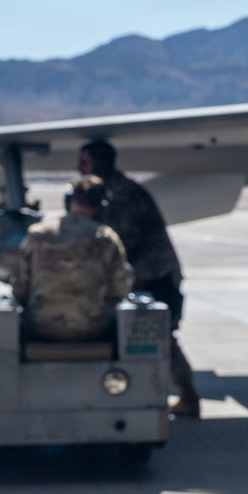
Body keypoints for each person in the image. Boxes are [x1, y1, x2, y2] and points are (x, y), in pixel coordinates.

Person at [77, 140, 199, 416]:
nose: (79, 168)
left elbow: (123, 241)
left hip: (155, 276)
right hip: (140, 275)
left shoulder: (121, 195)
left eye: (83, 162)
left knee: (161, 336)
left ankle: (187, 396)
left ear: (99, 164)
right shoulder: (108, 192)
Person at [13, 178, 132, 341]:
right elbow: (120, 287)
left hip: (40, 325)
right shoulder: (105, 238)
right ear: (101, 208)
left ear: (68, 202)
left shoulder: (37, 234)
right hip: (90, 328)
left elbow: (20, 287)